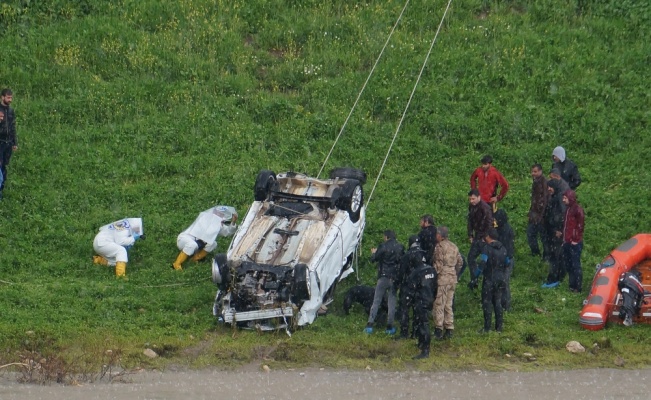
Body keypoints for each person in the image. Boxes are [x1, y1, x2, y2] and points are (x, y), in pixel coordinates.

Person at [172, 205, 238, 270]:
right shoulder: (205, 217)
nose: (220, 215)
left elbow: (227, 232)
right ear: (214, 212)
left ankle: (195, 258)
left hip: (198, 244)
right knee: (192, 244)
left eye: (222, 214)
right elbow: (204, 232)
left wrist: (233, 222)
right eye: (219, 213)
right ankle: (177, 264)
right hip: (185, 239)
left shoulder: (218, 224)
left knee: (213, 243)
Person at [365, 230, 404, 335]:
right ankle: (389, 327)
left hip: (383, 277)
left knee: (376, 301)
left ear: (386, 237)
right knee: (392, 302)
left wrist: (373, 253)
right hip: (394, 278)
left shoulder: (383, 246)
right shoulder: (400, 247)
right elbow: (402, 262)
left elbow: (374, 259)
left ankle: (370, 325)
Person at [469, 228, 508, 333]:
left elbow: (482, 263)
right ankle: (499, 327)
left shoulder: (487, 248)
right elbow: (507, 262)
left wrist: (475, 277)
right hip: (500, 278)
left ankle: (487, 328)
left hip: (489, 279)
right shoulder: (503, 248)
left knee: (487, 303)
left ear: (488, 237)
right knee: (498, 302)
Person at [403, 249, 437, 359]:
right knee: (422, 323)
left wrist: (407, 302)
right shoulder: (431, 270)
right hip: (429, 299)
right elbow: (435, 287)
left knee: (423, 324)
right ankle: (421, 344)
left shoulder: (416, 273)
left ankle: (425, 350)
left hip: (420, 301)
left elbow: (410, 290)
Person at [432, 226, 463, 340]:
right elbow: (460, 262)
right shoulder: (454, 246)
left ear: (440, 235)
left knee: (439, 304)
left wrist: (433, 275)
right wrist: (455, 272)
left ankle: (438, 328)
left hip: (443, 278)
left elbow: (438, 264)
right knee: (448, 304)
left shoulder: (439, 247)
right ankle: (449, 327)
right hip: (452, 278)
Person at [396, 235, 426, 340]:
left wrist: (397, 283)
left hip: (408, 285)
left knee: (404, 309)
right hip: (421, 285)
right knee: (417, 309)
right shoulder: (424, 253)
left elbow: (401, 272)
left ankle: (404, 333)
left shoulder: (407, 255)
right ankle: (415, 332)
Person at [541, 179, 567, 288]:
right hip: (551, 231)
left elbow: (561, 216)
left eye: (550, 187)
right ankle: (559, 276)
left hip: (556, 233)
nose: (549, 189)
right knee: (557, 256)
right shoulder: (554, 198)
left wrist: (559, 230)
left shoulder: (558, 199)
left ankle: (554, 278)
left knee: (555, 256)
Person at [467, 189, 493, 282]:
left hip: (485, 237)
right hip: (477, 236)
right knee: (471, 258)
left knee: (486, 260)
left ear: (479, 197)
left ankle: (487, 279)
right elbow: (469, 221)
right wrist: (470, 234)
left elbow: (489, 224)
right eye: (470, 199)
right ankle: (475, 279)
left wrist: (484, 236)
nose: (471, 201)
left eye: (473, 199)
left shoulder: (485, 208)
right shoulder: (471, 206)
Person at [562, 189, 585, 293]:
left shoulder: (577, 210)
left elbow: (580, 226)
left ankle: (578, 286)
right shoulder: (568, 209)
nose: (563, 200)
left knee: (575, 265)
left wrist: (575, 239)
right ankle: (572, 285)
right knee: (569, 264)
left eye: (565, 198)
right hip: (567, 241)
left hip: (574, 242)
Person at [494, 209, 514, 311]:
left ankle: (506, 305)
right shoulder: (504, 228)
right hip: (504, 258)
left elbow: (506, 246)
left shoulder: (504, 231)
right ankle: (502, 304)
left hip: (506, 259)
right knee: (502, 282)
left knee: (504, 282)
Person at [527, 163, 548, 257]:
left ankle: (545, 256)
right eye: (532, 171)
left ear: (540, 171)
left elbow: (545, 199)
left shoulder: (544, 182)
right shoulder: (536, 181)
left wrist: (541, 215)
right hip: (534, 214)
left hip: (541, 215)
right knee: (531, 234)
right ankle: (535, 253)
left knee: (544, 237)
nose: (533, 173)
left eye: (535, 171)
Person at [0, 89, 18, 199]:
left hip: (8, 143)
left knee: (4, 165)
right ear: (2, 97)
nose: (10, 100)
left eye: (11, 98)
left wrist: (14, 142)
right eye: (8, 97)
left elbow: (12, 128)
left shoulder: (11, 111)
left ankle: (2, 187)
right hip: (0, 142)